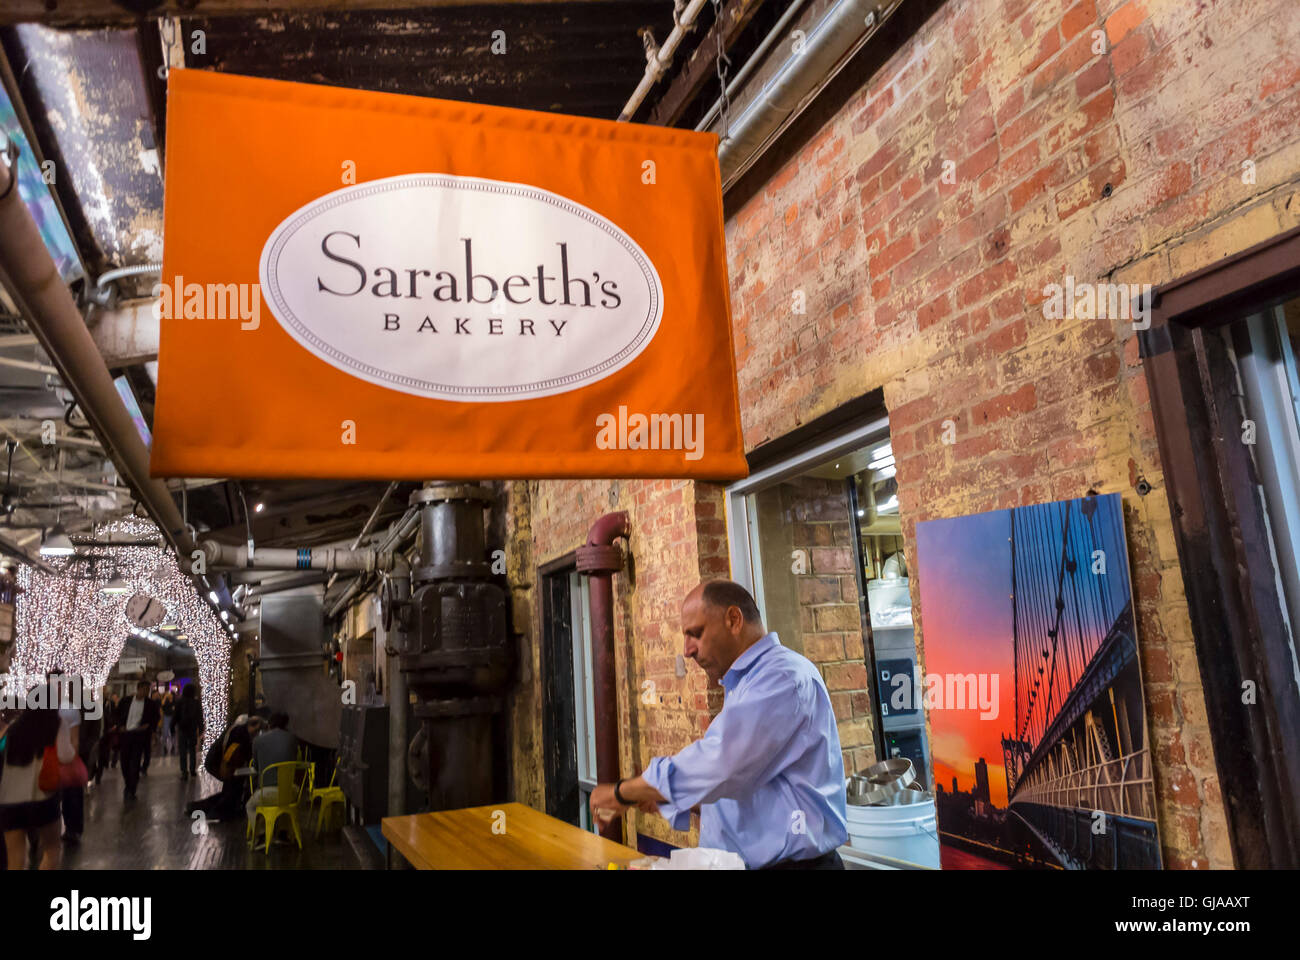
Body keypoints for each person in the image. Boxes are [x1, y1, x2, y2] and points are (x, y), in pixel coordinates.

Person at [588, 580, 849, 870]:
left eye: (695, 634)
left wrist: (625, 791)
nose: (687, 650)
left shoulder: (781, 678)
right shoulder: (745, 682)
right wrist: (680, 798)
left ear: (734, 620)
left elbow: (721, 764)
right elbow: (752, 785)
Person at [0, 693, 73, 869]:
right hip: (43, 797)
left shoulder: (12, 728)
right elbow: (66, 756)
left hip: (10, 801)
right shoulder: (56, 724)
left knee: (15, 858)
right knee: (52, 851)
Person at [188, 715, 263, 820]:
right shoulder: (241, 734)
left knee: (228, 791)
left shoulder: (235, 729)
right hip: (221, 765)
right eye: (256, 730)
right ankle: (217, 812)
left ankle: (195, 807)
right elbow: (245, 752)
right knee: (231, 791)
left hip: (218, 763)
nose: (256, 733)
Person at [245, 713, 299, 826]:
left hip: (266, 793)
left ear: (269, 724)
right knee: (286, 805)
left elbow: (256, 767)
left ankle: (260, 835)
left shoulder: (257, 740)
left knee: (250, 806)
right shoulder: (293, 739)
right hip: (289, 792)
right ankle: (284, 833)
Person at [115, 681, 161, 801]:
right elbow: (117, 714)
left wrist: (149, 727)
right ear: (138, 689)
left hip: (139, 736)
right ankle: (127, 785)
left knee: (135, 764)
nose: (146, 692)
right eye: (144, 689)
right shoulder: (126, 701)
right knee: (124, 763)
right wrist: (120, 726)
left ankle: (131, 790)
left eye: (148, 690)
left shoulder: (150, 704)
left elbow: (156, 718)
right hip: (126, 735)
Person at [175, 684, 203, 781]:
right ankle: (192, 770)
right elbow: (200, 716)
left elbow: (176, 715)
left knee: (182, 751)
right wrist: (201, 728)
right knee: (192, 750)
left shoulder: (180, 701)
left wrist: (172, 726)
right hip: (192, 729)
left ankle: (184, 772)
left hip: (182, 729)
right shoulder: (196, 702)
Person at [141, 688, 162, 773]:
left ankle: (145, 766)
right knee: (143, 748)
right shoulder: (147, 702)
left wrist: (153, 728)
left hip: (148, 729)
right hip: (141, 729)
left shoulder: (154, 703)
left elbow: (157, 716)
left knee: (147, 748)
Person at [160, 689, 176, 756]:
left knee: (173, 732)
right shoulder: (165, 701)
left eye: (170, 694)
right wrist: (165, 698)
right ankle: (164, 747)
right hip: (166, 717)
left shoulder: (174, 701)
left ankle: (173, 746)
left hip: (173, 717)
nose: (169, 695)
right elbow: (162, 706)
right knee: (165, 732)